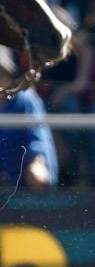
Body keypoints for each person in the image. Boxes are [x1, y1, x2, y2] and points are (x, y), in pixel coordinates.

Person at [0, 46, 59, 188]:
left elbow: (38, 140)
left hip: (20, 190)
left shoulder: (26, 100)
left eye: (1, 74)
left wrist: (37, 164)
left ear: (11, 77)